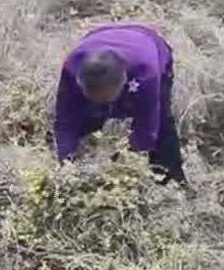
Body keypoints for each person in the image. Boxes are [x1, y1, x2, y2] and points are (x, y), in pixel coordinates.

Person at [52, 23, 185, 185]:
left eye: (105, 97)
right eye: (92, 96)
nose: (98, 101)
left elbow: (147, 132)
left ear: (123, 83)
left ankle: (175, 184)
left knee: (162, 129)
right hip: (100, 35)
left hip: (149, 43)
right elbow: (64, 122)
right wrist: (65, 164)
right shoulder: (71, 69)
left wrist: (121, 167)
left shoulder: (146, 75)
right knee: (83, 121)